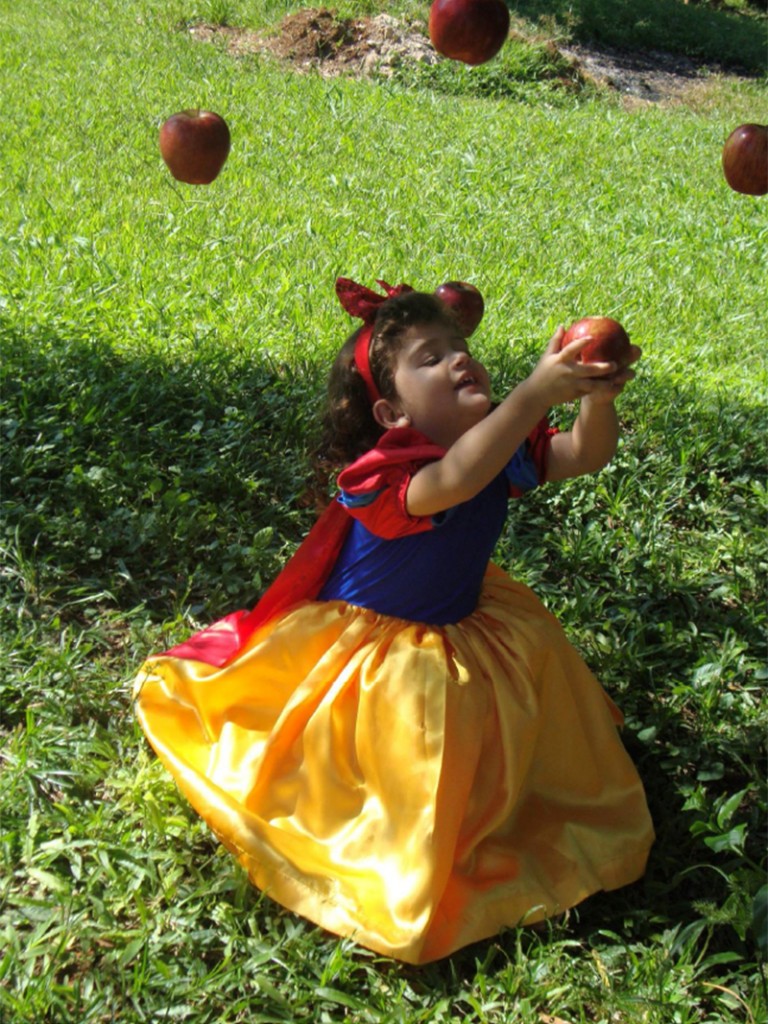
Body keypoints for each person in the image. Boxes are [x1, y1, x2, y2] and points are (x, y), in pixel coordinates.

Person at [134, 277, 654, 965]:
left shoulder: (499, 447)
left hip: (465, 627)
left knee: (495, 738)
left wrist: (598, 400)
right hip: (379, 656)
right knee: (405, 760)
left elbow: (584, 455)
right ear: (390, 412)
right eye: (429, 359)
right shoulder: (388, 478)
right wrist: (533, 392)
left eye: (459, 347)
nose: (458, 360)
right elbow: (459, 480)